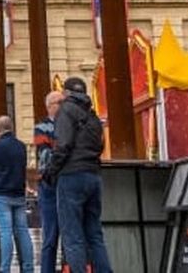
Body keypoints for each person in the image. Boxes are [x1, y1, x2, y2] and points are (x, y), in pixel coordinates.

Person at [43, 78, 112, 273]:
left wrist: (51, 171)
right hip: (94, 176)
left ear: (65, 93)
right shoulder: (92, 115)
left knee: (72, 236)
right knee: (95, 235)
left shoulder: (66, 110)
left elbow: (63, 145)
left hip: (72, 176)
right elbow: (100, 145)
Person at [0, 117, 33, 273]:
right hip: (19, 195)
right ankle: (28, 267)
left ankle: (5, 269)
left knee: (5, 233)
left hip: (2, 195)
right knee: (23, 232)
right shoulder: (21, 147)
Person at [32, 92, 62, 273]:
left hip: (64, 183)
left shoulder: (68, 124)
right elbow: (45, 155)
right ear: (50, 105)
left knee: (70, 234)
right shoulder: (42, 127)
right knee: (50, 235)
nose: (63, 106)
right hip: (49, 185)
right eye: (60, 102)